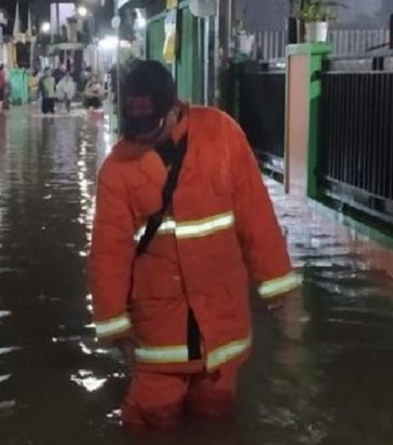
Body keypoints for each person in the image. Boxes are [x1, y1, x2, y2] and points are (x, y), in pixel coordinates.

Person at [88, 60, 300, 430]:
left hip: (221, 324)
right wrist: (115, 325)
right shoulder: (116, 169)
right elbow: (109, 253)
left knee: (217, 416)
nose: (143, 137)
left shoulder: (222, 134)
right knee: (149, 419)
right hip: (160, 329)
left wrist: (281, 289)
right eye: (135, 128)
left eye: (152, 126)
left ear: (174, 107)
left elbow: (256, 216)